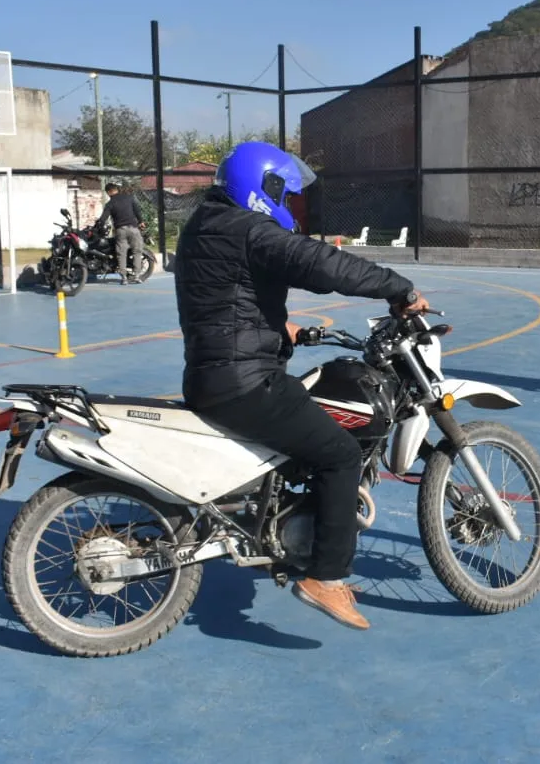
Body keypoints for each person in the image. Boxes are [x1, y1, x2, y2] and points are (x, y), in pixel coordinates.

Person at [174, 141, 429, 631]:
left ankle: (288, 530)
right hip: (244, 381)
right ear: (263, 188)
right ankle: (326, 577)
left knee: (306, 438)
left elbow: (225, 296)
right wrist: (399, 287)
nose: (288, 205)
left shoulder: (206, 226)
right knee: (339, 453)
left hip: (214, 370)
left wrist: (279, 330)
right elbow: (320, 264)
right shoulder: (250, 229)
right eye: (285, 195)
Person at [96, 182, 147, 284]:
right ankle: (137, 276)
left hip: (120, 230)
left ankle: (124, 278)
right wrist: (141, 221)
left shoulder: (110, 204)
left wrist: (97, 225)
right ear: (116, 189)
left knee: (121, 253)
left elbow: (103, 219)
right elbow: (137, 210)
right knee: (137, 251)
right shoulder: (129, 198)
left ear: (108, 192)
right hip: (133, 228)